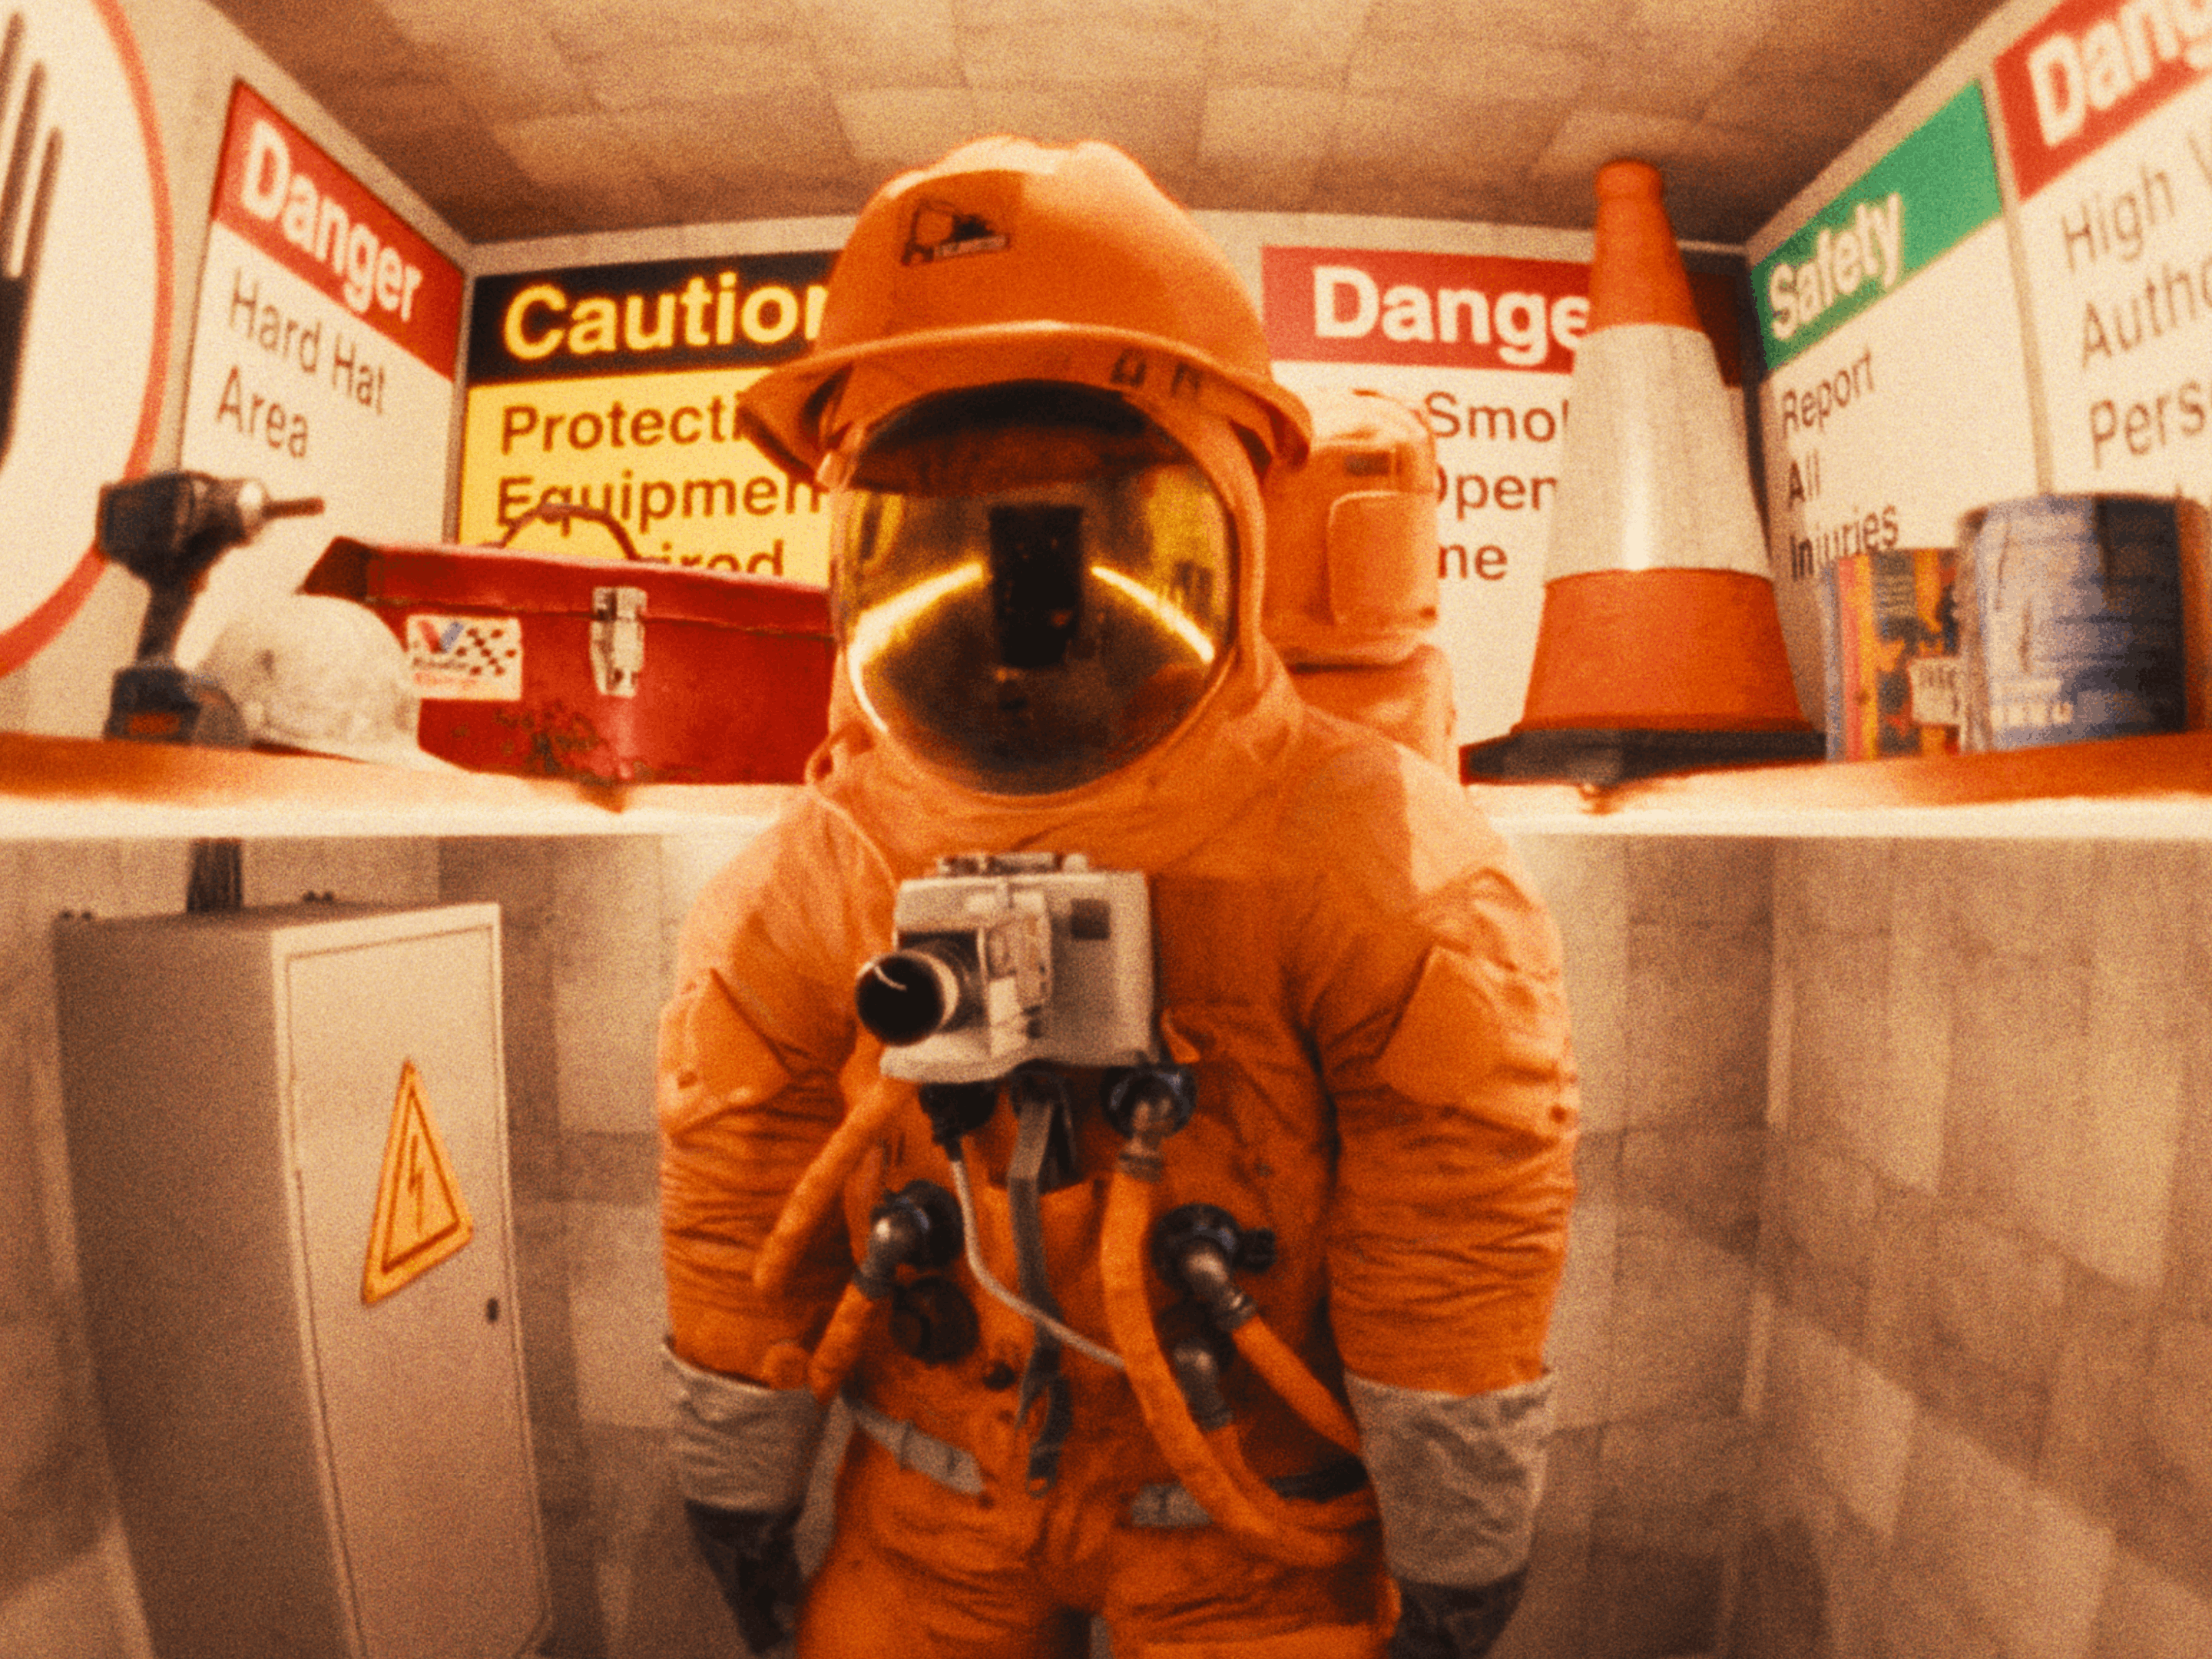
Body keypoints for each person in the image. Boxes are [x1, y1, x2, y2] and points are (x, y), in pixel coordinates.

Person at [658, 136, 1578, 1659]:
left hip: (1244, 1528)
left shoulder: (1365, 856)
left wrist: (1458, 1554)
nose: (1026, 609)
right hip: (932, 1503)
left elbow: (1459, 1214)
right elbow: (738, 1173)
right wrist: (736, 1482)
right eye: (938, 532)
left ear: (1233, 507)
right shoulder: (829, 864)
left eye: (1081, 529)